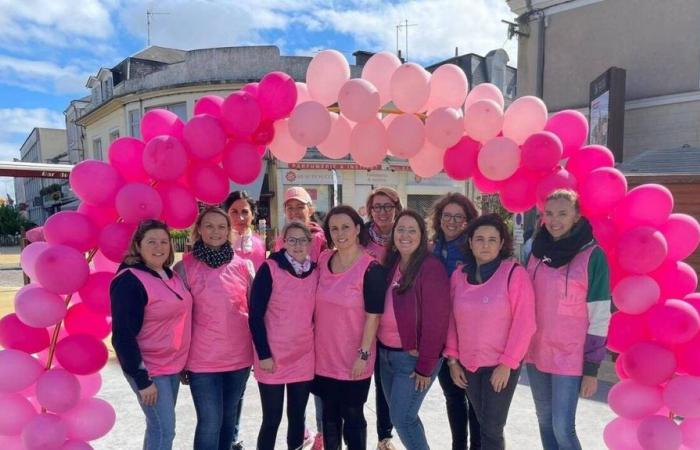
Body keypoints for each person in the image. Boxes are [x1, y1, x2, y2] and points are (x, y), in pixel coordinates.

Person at [525, 189, 611, 450]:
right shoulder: (533, 249)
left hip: (570, 357)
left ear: (577, 216)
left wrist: (591, 369)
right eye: (549, 213)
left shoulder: (593, 256)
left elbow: (599, 315)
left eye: (563, 213)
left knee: (563, 427)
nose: (555, 220)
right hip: (535, 351)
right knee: (544, 421)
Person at [445, 214, 536, 450]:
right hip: (469, 365)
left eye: (492, 240)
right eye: (480, 239)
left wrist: (507, 364)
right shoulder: (459, 275)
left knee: (492, 429)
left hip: (501, 366)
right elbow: (451, 321)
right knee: (484, 424)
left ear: (501, 243)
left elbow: (525, 323)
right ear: (471, 242)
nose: (485, 245)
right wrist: (453, 361)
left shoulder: (514, 274)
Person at [174, 207, 254, 450]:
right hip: (202, 362)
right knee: (209, 422)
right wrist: (180, 359)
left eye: (221, 226)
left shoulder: (244, 266)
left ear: (229, 231)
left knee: (228, 420)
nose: (215, 231)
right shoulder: (184, 269)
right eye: (209, 225)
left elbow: (256, 313)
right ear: (199, 229)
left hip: (239, 360)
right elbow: (178, 318)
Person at [111, 219, 193, 450]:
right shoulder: (130, 280)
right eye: (151, 242)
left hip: (172, 366)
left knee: (158, 428)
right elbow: (122, 336)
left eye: (164, 242)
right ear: (138, 245)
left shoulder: (170, 274)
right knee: (164, 430)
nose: (159, 247)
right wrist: (142, 379)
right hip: (149, 369)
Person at [314, 205, 387, 450]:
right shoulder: (323, 260)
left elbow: (373, 317)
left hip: (355, 358)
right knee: (329, 417)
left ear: (357, 229)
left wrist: (363, 355)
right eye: (334, 228)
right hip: (323, 358)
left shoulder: (371, 268)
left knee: (353, 416)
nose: (339, 233)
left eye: (345, 227)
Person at [379, 209, 450, 450]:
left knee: (403, 419)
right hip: (385, 355)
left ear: (422, 235)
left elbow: (436, 322)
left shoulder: (431, 267)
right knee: (402, 417)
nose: (405, 235)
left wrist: (426, 366)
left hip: (412, 360)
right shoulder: (392, 262)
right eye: (401, 229)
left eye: (412, 230)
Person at [249, 222, 319, 450]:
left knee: (298, 417)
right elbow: (255, 316)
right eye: (292, 240)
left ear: (310, 243)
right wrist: (264, 354)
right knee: (272, 418)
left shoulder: (316, 271)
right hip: (273, 356)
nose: (297, 245)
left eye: (302, 240)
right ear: (283, 242)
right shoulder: (270, 268)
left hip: (303, 356)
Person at [428, 193, 481, 450]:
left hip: (470, 333)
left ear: (468, 220)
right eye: (447, 216)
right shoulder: (430, 247)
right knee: (453, 396)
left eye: (458, 217)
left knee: (475, 399)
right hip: (441, 334)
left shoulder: (474, 249)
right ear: (439, 219)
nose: (451, 221)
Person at [364, 187, 403, 450]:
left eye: (388, 206)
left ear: (397, 209)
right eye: (377, 207)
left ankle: (384, 436)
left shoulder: (405, 235)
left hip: (392, 320)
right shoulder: (361, 237)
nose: (383, 212)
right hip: (361, 317)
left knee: (383, 382)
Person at [274, 186, 327, 262]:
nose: (295, 212)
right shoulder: (281, 240)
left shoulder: (320, 238)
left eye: (300, 207)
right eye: (290, 208)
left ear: (310, 210)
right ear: (285, 212)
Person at [224, 190, 267, 271]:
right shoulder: (219, 244)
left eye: (245, 212)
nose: (240, 218)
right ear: (226, 215)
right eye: (234, 212)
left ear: (253, 215)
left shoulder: (260, 244)